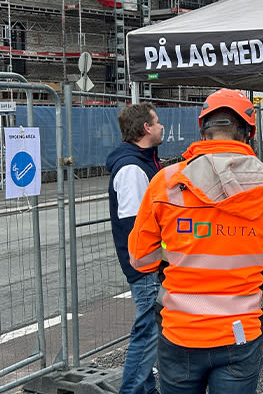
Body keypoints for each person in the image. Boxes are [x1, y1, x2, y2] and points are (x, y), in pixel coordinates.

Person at [128, 89, 263, 394]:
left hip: (180, 332)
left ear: (203, 132)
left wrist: (183, 250)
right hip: (240, 332)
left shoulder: (167, 182)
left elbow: (140, 260)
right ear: (249, 133)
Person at [106, 102, 163, 394]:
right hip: (145, 266)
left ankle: (145, 389)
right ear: (146, 128)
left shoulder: (142, 161)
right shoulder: (131, 168)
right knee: (148, 331)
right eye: (158, 121)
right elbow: (135, 227)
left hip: (148, 265)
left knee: (151, 329)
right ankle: (132, 390)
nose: (162, 126)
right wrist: (151, 262)